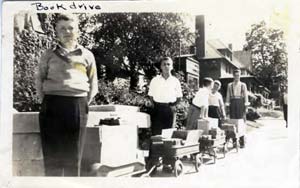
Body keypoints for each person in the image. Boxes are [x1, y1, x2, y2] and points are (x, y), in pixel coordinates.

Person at [35, 14, 98, 176]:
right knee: (52, 157)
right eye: (62, 28)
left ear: (77, 30)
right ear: (56, 31)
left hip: (77, 106)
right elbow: (39, 81)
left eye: (71, 28)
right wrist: (48, 102)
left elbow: (93, 85)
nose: (67, 31)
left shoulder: (87, 55)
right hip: (51, 106)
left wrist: (80, 104)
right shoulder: (48, 54)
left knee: (73, 157)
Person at [148, 57, 183, 135]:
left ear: (172, 67)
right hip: (157, 109)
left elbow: (179, 97)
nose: (166, 66)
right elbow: (151, 95)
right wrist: (155, 105)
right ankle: (156, 147)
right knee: (156, 133)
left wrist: (172, 106)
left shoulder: (175, 81)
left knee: (168, 134)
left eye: (168, 64)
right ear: (161, 66)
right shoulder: (155, 80)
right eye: (164, 64)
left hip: (169, 109)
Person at [225, 69, 249, 148]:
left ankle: (242, 141)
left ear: (240, 76)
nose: (237, 77)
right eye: (235, 75)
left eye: (238, 75)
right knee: (233, 122)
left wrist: (246, 107)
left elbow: (245, 96)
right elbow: (228, 96)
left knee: (241, 122)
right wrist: (227, 106)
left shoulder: (243, 85)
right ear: (233, 76)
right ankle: (234, 141)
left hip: (240, 103)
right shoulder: (230, 85)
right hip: (232, 103)